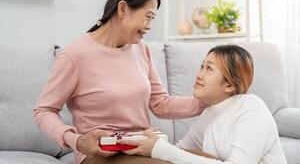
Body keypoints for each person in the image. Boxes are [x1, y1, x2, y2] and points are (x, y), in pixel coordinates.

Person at [33, 0, 207, 164]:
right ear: (123, 8)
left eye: (153, 19)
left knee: (215, 161)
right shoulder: (74, 55)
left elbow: (161, 104)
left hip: (141, 146)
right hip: (99, 155)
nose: (149, 26)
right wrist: (76, 141)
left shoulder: (142, 49)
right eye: (148, 17)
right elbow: (44, 110)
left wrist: (208, 101)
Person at [119, 45, 288, 164]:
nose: (199, 75)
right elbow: (179, 151)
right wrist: (157, 141)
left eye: (209, 69)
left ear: (229, 85)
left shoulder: (252, 108)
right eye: (202, 66)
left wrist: (162, 149)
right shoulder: (210, 113)